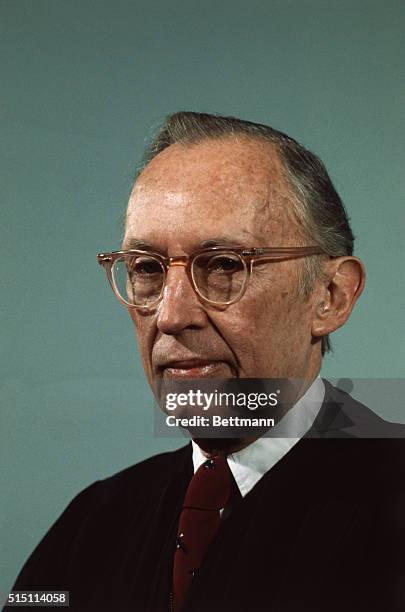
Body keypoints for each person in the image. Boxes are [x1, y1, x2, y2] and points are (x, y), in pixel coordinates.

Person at [7, 112, 405, 611]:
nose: (171, 316)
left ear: (330, 296)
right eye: (148, 269)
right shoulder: (91, 526)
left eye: (223, 266)